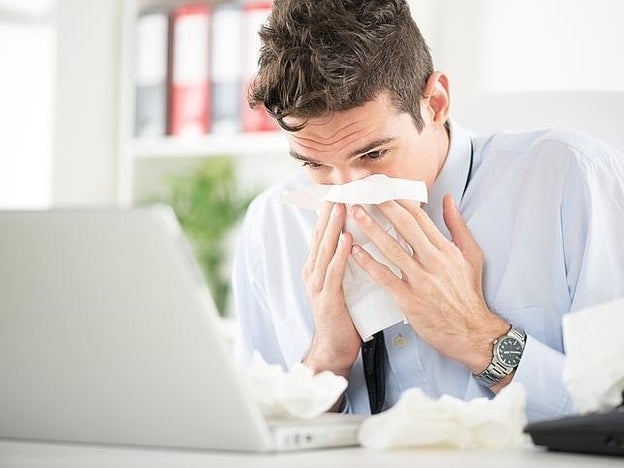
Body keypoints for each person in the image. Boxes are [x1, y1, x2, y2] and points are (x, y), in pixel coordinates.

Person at [232, 0, 624, 423]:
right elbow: (254, 435)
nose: (349, 191)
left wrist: (478, 336)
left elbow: (612, 413)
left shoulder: (569, 182)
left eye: (374, 154)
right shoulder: (273, 224)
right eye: (314, 163)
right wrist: (326, 360)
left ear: (435, 103)